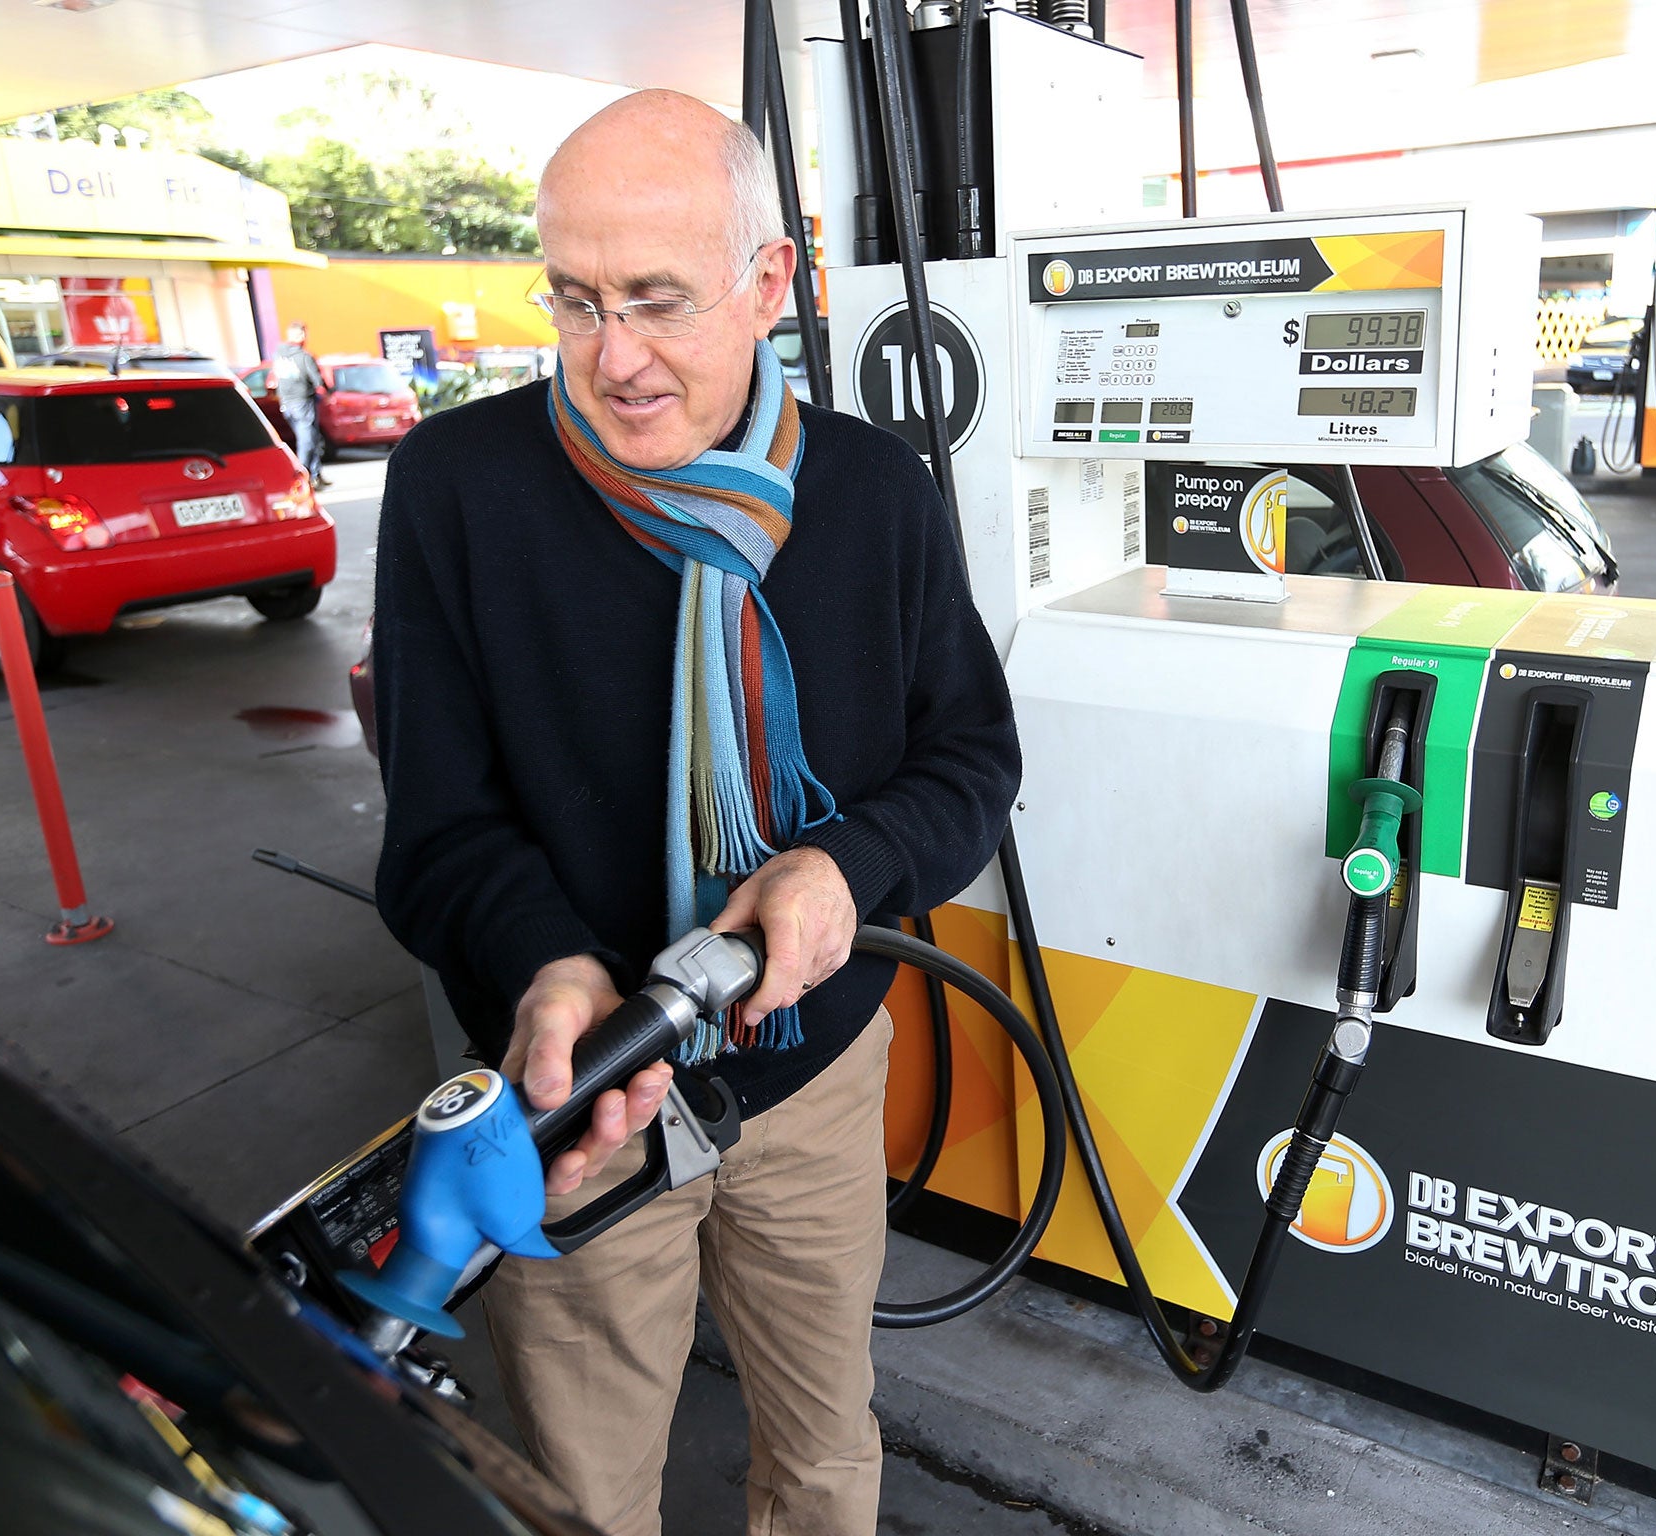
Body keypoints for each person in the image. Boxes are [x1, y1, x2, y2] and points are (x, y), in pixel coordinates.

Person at [370, 90, 1020, 1536]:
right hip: (583, 1100)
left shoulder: (876, 494)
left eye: (657, 300)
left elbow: (970, 761)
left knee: (828, 1449)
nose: (614, 356)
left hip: (816, 1077)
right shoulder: (458, 492)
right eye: (576, 300)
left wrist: (845, 870)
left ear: (770, 280)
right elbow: (434, 834)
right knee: (586, 1497)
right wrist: (549, 966)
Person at [272, 321, 328, 487]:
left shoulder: (278, 355)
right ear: (301, 335)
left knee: (309, 438)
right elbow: (317, 380)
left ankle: (315, 474)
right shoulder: (304, 356)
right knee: (307, 441)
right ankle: (303, 478)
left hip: (286, 402)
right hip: (303, 402)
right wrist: (327, 391)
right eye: (303, 334)